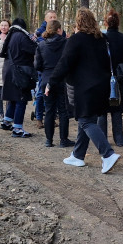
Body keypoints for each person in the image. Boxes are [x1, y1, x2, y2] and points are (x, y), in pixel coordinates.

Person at [46, 7, 121, 174]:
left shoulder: (76, 39)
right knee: (86, 120)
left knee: (86, 121)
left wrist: (51, 82)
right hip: (101, 87)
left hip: (84, 87)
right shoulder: (102, 38)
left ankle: (108, 154)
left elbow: (65, 63)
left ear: (78, 22)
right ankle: (78, 155)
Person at [34, 19, 73, 148]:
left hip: (46, 79)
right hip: (62, 79)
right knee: (63, 110)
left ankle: (49, 140)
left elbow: (37, 65)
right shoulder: (66, 43)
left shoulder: (41, 45)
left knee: (49, 110)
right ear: (59, 30)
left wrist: (46, 71)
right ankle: (63, 140)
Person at [98, 10, 123, 147]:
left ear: (106, 23)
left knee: (102, 110)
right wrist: (120, 74)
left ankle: (102, 138)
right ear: (118, 23)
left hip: (102, 78)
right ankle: (119, 138)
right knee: (116, 107)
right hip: (118, 79)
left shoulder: (99, 38)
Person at [1, 17, 38, 138]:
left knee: (13, 97)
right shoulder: (21, 37)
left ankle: (7, 121)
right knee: (21, 99)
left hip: (9, 70)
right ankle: (17, 128)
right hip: (20, 72)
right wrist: (35, 40)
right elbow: (34, 49)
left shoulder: (10, 36)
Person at [32, 10, 60, 124]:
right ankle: (39, 117)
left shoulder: (60, 31)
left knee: (56, 94)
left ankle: (52, 117)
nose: (52, 19)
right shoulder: (40, 32)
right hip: (45, 68)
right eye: (50, 17)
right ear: (46, 19)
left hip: (57, 68)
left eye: (54, 17)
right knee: (40, 93)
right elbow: (39, 45)